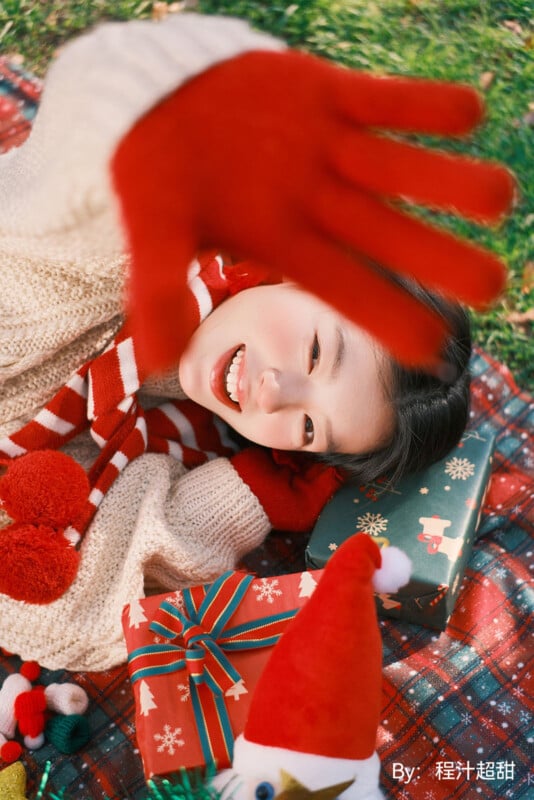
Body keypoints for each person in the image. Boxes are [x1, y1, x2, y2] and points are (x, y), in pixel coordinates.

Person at [0, 13, 509, 670]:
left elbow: (70, 617)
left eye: (304, 427)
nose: (272, 392)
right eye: (318, 352)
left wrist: (247, 492)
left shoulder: (173, 436)